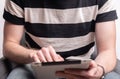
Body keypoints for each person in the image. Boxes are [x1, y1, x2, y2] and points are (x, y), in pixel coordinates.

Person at [2, 0, 120, 79]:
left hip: (84, 66)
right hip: (34, 67)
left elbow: (107, 51)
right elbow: (9, 45)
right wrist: (33, 54)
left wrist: (98, 69)